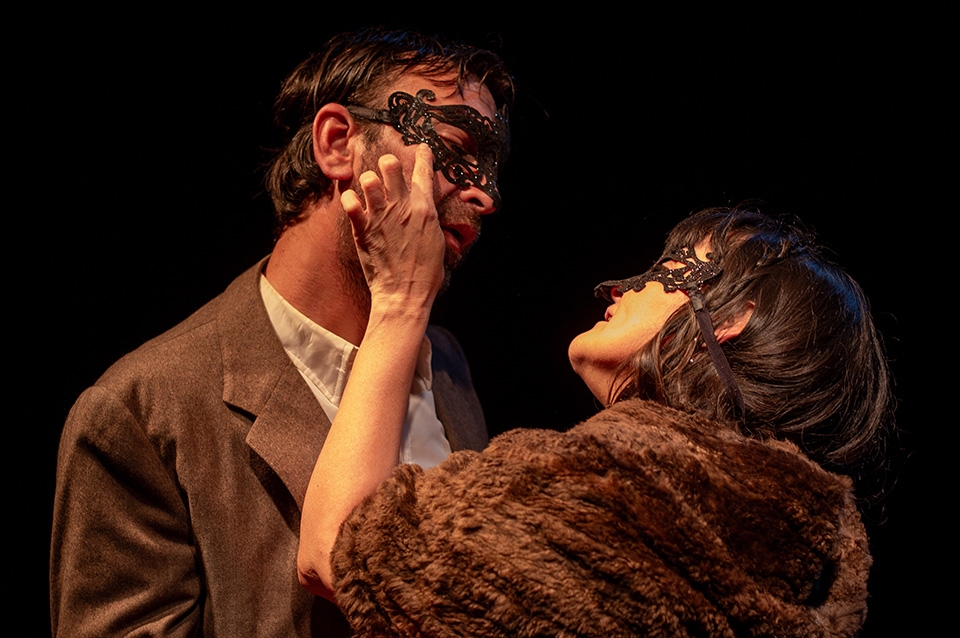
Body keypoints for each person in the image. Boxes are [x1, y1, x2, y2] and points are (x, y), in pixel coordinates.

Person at [296, 158, 893, 637]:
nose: (620, 286)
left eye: (670, 267)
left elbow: (341, 549)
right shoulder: (810, 552)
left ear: (732, 318)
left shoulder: (618, 490)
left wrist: (400, 300)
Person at [50, 29, 513, 637]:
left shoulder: (445, 362)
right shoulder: (142, 412)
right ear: (338, 143)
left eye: (491, 166)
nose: (485, 195)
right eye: (453, 149)